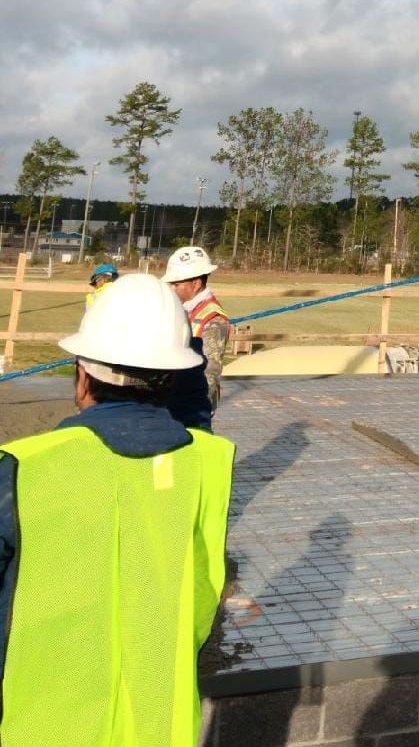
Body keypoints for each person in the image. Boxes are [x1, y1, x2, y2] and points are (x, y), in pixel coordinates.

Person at [0, 274, 234, 747]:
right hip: (158, 722)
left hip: (41, 724)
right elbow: (203, 596)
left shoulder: (22, 471)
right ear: (170, 379)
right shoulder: (208, 465)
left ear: (82, 376)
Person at [163, 245, 231, 430]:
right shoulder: (182, 308)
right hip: (172, 399)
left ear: (196, 283)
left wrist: (197, 411)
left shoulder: (213, 320)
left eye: (176, 284)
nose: (172, 289)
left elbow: (210, 372)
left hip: (192, 408)